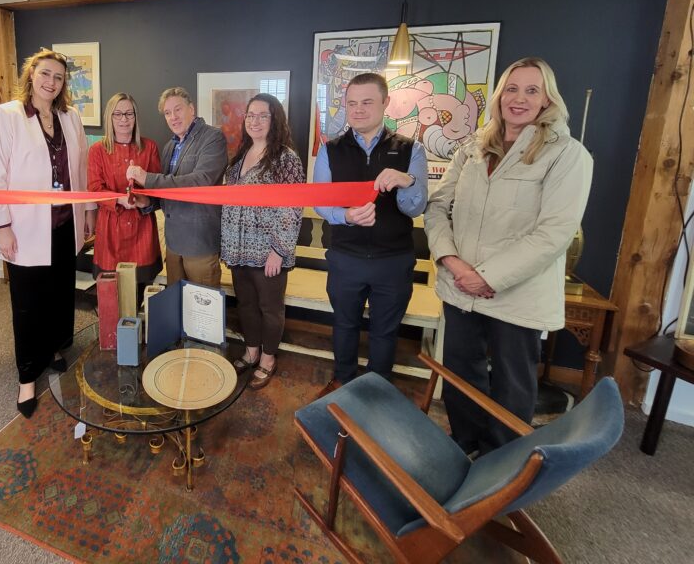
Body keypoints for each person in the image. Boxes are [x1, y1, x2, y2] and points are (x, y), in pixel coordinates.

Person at [424, 57, 592, 455]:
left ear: (547, 99)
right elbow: (437, 208)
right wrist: (452, 262)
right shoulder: (473, 148)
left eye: (532, 90)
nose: (520, 99)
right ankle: (464, 446)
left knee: (512, 386)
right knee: (460, 376)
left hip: (516, 294)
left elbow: (554, 233)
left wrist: (487, 276)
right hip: (460, 288)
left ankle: (502, 466)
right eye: (512, 89)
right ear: (499, 97)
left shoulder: (567, 155)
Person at [0, 48, 97, 419]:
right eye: (45, 74)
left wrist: (89, 212)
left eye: (58, 77)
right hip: (25, 228)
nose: (51, 82)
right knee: (28, 303)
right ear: (31, 75)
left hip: (65, 223)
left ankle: (55, 349)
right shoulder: (8, 115)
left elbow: (80, 169)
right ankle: (27, 377)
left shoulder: (70, 116)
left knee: (61, 294)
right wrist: (1, 226)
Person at [313, 72, 428, 386]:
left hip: (393, 261)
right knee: (344, 325)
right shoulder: (330, 150)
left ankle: (377, 391)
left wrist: (409, 181)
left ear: (385, 103)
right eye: (352, 103)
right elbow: (320, 203)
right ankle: (343, 383)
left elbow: (414, 208)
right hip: (345, 257)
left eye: (367, 102)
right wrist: (346, 216)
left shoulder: (411, 150)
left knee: (384, 332)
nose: (358, 109)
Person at [221, 94, 305, 389]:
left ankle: (268, 359)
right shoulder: (240, 156)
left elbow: (292, 208)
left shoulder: (286, 159)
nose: (254, 121)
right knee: (246, 304)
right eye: (250, 115)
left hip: (268, 252)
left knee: (270, 308)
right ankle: (251, 350)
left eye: (262, 115)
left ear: (275, 120)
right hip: (237, 248)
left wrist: (279, 251)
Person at [126, 87, 227, 287]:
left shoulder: (213, 138)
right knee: (177, 305)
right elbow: (167, 192)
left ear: (192, 109)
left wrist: (148, 178)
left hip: (200, 244)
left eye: (178, 110)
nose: (173, 117)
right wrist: (147, 201)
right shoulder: (169, 147)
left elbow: (201, 181)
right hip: (173, 244)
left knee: (202, 312)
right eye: (167, 113)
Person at [88, 93, 162, 285]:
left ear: (136, 117)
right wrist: (119, 200)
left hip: (142, 229)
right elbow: (94, 189)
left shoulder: (150, 147)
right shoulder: (97, 150)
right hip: (110, 230)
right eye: (118, 114)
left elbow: (158, 189)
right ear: (109, 117)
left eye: (129, 114)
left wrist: (143, 201)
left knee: (142, 293)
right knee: (111, 296)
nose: (124, 119)